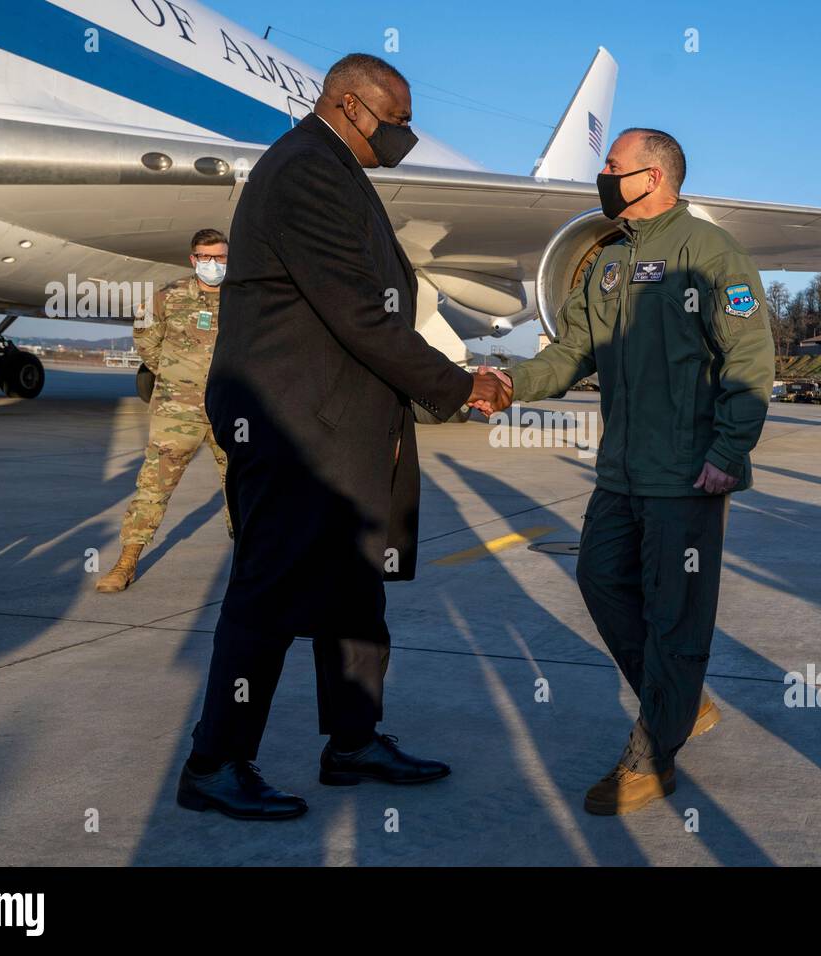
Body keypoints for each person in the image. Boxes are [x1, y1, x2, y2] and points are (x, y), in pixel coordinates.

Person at [176, 53, 509, 820]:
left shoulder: (333, 168)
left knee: (355, 590)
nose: (406, 136)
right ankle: (216, 761)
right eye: (396, 122)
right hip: (296, 426)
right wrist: (459, 385)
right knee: (269, 594)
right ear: (352, 106)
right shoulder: (306, 171)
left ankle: (353, 741)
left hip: (337, 423)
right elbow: (358, 312)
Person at [490, 128, 774, 815]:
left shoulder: (710, 253)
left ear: (652, 177)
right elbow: (574, 349)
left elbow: (750, 361)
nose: (604, 176)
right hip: (621, 470)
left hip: (687, 474)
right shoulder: (610, 260)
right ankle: (681, 701)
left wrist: (728, 452)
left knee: (677, 616)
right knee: (598, 575)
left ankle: (653, 758)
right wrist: (510, 383)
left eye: (613, 167)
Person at [97, 229, 233, 592]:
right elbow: (146, 342)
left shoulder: (246, 299)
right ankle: (126, 562)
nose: (214, 264)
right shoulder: (168, 297)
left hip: (232, 411)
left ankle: (250, 565)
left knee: (243, 488)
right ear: (193, 260)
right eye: (207, 258)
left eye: (221, 257)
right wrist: (176, 376)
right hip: (178, 412)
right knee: (153, 487)